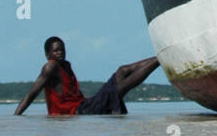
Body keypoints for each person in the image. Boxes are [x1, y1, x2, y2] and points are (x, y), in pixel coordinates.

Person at [14, 38, 160, 116]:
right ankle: (161, 59)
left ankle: (160, 57)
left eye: (62, 50)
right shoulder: (50, 66)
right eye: (56, 50)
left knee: (122, 70)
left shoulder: (66, 65)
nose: (60, 53)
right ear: (48, 55)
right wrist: (16, 116)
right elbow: (32, 93)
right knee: (117, 90)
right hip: (79, 111)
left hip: (84, 106)